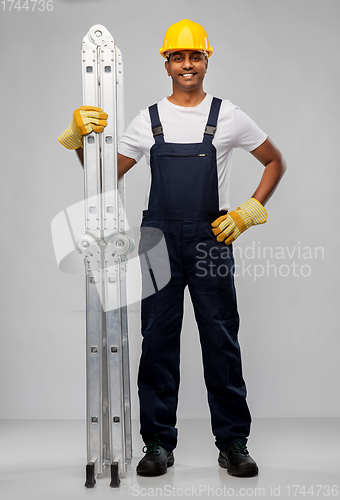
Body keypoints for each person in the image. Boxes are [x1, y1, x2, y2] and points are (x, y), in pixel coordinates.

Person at [58, 19, 286, 478]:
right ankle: (158, 443)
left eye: (194, 56)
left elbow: (274, 161)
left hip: (209, 242)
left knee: (220, 340)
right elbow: (104, 177)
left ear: (207, 60)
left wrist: (249, 210)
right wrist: (76, 141)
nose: (187, 64)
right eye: (178, 57)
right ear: (166, 63)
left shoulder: (229, 115)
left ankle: (233, 443)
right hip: (157, 241)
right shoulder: (148, 119)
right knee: (158, 341)